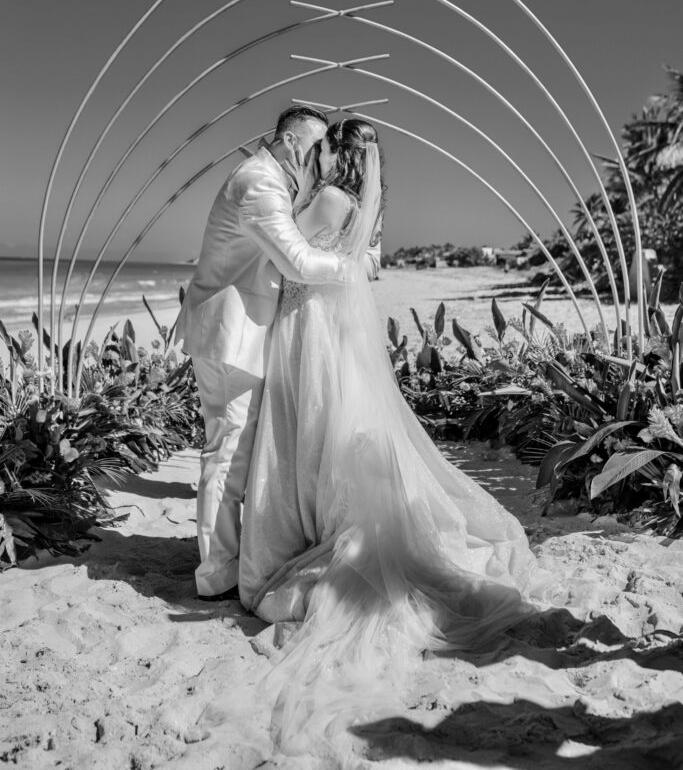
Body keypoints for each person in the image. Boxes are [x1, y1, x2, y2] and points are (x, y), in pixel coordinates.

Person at [236, 118, 542, 745]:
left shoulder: (327, 199)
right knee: (334, 428)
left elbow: (290, 258)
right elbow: (361, 265)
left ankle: (306, 530)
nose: (319, 152)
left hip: (309, 330)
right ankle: (319, 519)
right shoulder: (365, 209)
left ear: (338, 153)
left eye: (326, 145)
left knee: (308, 429)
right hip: (337, 333)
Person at [175, 105, 379, 600]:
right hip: (231, 334)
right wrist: (354, 268)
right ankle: (216, 573)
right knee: (226, 455)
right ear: (292, 143)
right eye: (315, 150)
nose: (320, 162)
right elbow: (296, 260)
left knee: (237, 453)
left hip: (250, 331)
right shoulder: (259, 183)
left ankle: (229, 559)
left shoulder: (280, 183)